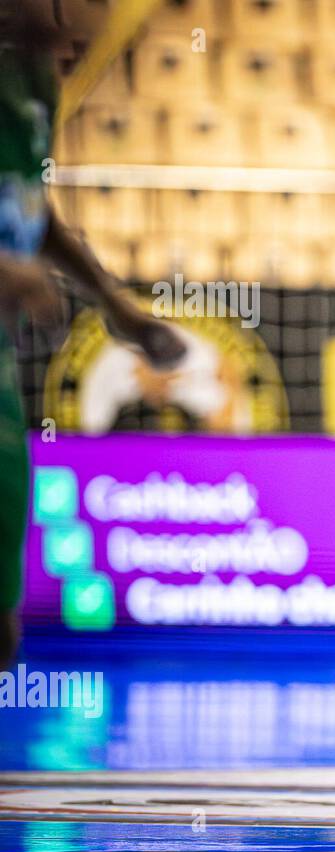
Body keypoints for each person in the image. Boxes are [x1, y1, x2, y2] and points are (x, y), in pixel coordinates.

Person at [0, 6, 186, 668]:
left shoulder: (36, 80)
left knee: (3, 625)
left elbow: (30, 206)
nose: (98, 18)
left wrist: (115, 304)